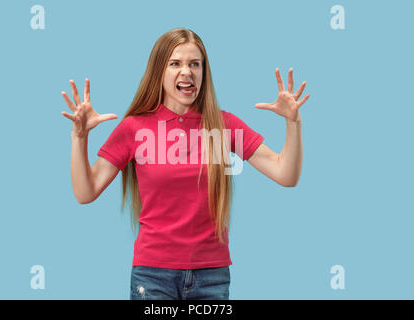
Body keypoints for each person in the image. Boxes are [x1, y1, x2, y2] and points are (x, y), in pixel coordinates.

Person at [61, 27, 310, 300]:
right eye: (175, 63)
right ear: (160, 71)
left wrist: (293, 123)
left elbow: (286, 174)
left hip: (211, 275)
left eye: (195, 64)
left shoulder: (223, 126)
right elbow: (86, 192)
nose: (187, 72)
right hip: (153, 273)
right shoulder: (135, 128)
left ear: (204, 72)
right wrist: (79, 138)